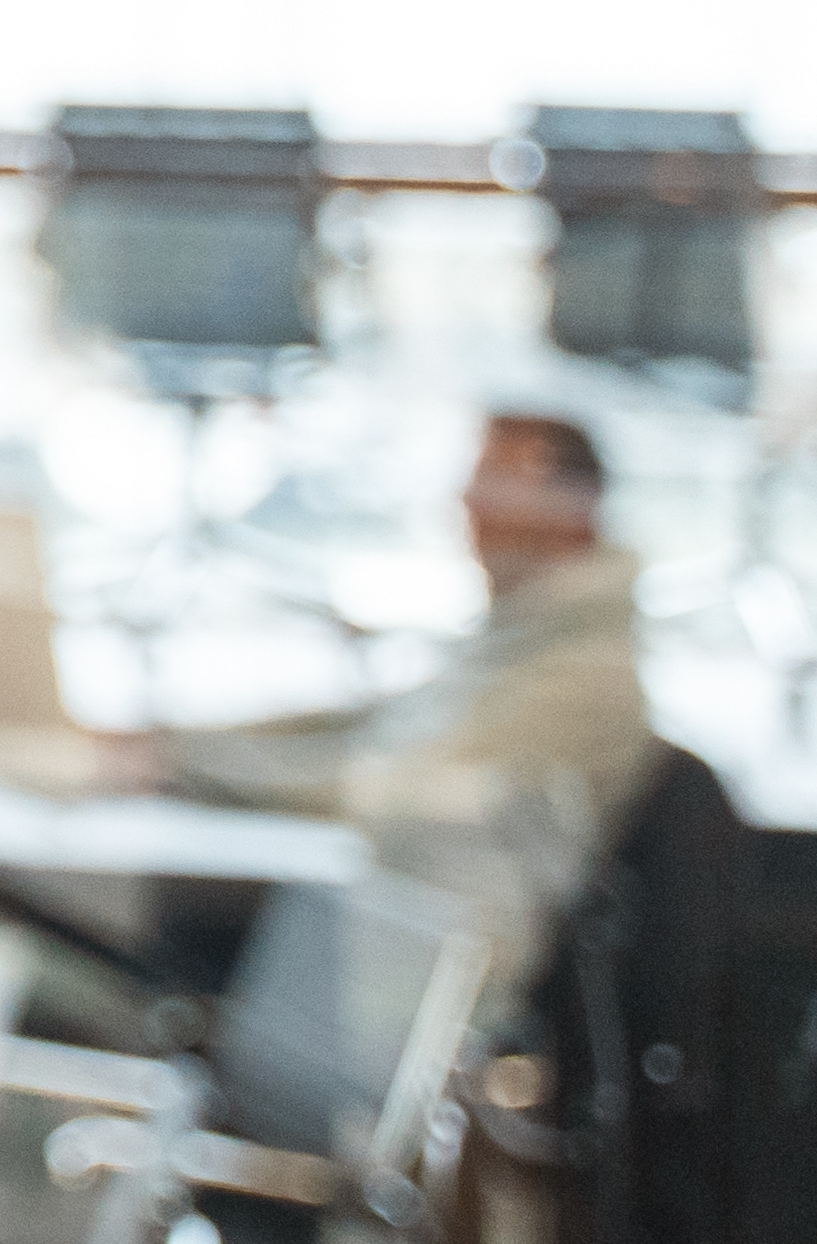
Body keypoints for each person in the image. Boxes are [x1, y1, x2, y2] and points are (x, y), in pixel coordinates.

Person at [145, 410, 654, 971]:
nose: (469, 506)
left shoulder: (581, 674)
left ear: (570, 514)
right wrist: (179, 746)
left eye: (493, 484)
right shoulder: (520, 635)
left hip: (439, 982)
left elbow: (393, 790)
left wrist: (196, 770)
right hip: (391, 931)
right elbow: (365, 723)